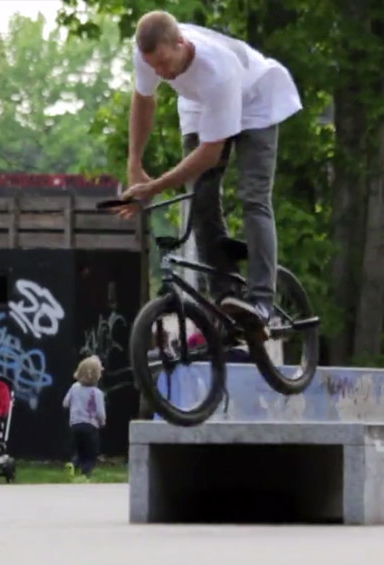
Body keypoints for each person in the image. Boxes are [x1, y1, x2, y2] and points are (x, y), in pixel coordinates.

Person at [111, 10, 303, 340]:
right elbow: (144, 100)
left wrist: (155, 186)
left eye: (165, 64)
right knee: (200, 198)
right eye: (154, 66)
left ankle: (261, 302)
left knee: (254, 198)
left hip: (255, 99)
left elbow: (209, 155)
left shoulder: (217, 70)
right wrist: (134, 164)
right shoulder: (148, 51)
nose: (161, 73)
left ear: (181, 44)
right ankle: (226, 293)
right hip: (202, 105)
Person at [62, 355, 107, 478]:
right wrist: (102, 422)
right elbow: (100, 413)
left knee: (80, 450)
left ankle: (73, 464)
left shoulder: (74, 387)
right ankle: (85, 474)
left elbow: (65, 403)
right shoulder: (97, 393)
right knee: (90, 453)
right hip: (90, 426)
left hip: (75, 424)